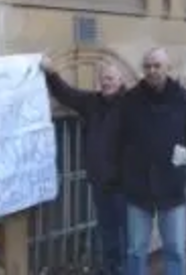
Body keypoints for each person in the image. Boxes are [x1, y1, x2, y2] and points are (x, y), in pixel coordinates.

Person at [41, 57, 127, 274]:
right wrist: (51, 73)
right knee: (107, 234)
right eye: (102, 79)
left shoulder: (132, 104)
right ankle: (110, 270)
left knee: (127, 236)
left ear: (120, 80)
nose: (105, 82)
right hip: (101, 183)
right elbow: (67, 94)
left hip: (126, 186)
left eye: (109, 78)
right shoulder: (92, 102)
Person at [115, 47, 186, 275]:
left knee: (176, 249)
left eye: (157, 65)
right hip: (138, 187)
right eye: (147, 66)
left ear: (168, 68)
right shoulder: (130, 100)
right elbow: (118, 138)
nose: (152, 70)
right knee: (136, 250)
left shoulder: (183, 99)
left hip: (172, 186)